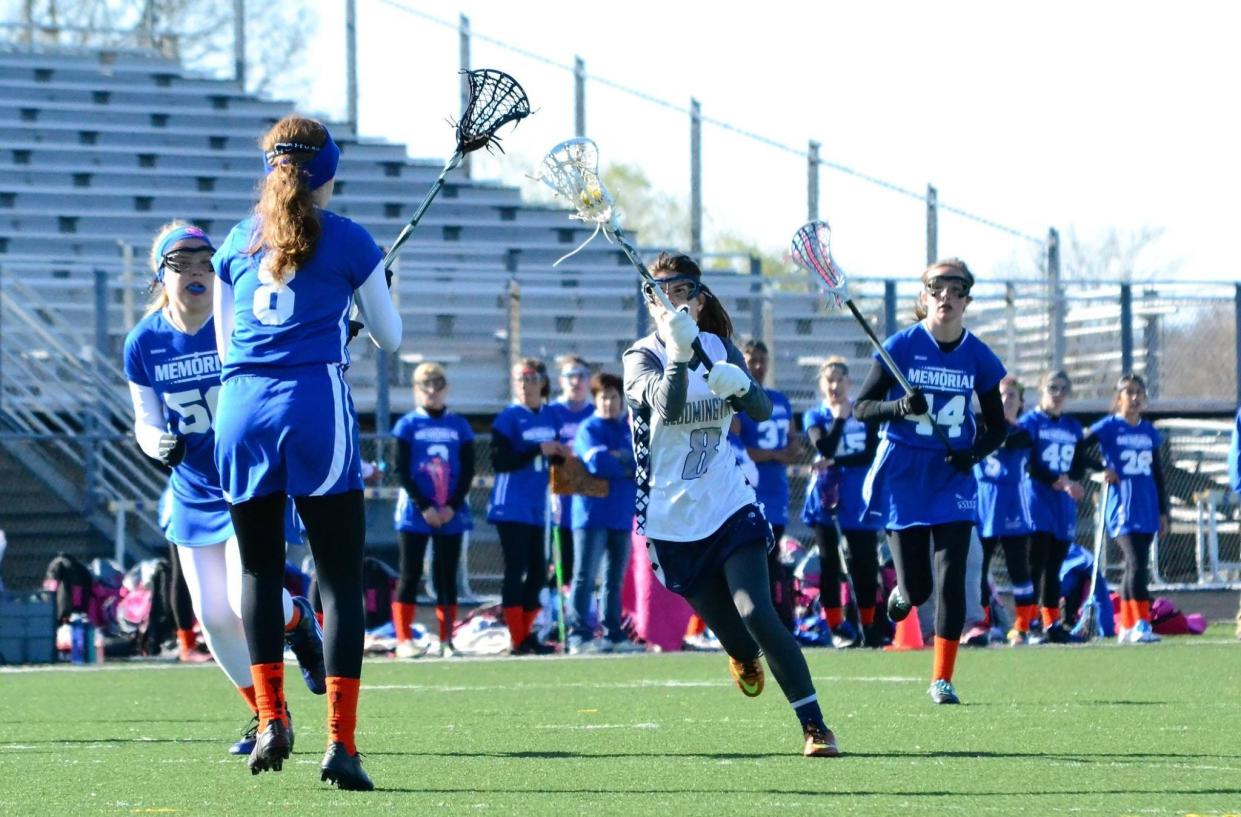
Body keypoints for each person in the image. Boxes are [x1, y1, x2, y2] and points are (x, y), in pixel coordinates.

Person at [211, 116, 402, 789]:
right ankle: (341, 746)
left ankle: (269, 719)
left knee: (259, 572)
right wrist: (364, 295)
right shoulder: (350, 237)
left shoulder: (237, 239)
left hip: (240, 410)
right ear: (329, 170)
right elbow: (390, 335)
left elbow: (229, 343)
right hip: (313, 405)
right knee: (339, 578)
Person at [623, 251, 839, 757]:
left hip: (727, 501)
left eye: (681, 290)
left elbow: (761, 411)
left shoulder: (720, 347)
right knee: (740, 641)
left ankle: (814, 726)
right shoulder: (640, 356)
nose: (670, 300)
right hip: (671, 520)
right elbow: (670, 409)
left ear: (698, 301)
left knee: (757, 612)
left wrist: (742, 387)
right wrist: (678, 356)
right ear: (649, 300)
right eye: (659, 291)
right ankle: (742, 656)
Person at [124, 221, 325, 757]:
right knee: (212, 615)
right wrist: (156, 444)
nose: (194, 271)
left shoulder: (238, 322)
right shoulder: (143, 341)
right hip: (191, 489)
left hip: (248, 477)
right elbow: (144, 418)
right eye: (180, 262)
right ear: (160, 275)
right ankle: (266, 716)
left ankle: (297, 618)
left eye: (203, 261)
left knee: (245, 596)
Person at [854, 258, 1007, 705]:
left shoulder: (979, 356)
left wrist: (972, 452)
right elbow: (863, 407)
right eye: (937, 289)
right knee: (918, 587)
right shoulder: (901, 347)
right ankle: (903, 591)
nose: (947, 297)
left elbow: (998, 427)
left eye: (956, 290)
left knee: (952, 575)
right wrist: (899, 407)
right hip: (904, 472)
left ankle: (942, 678)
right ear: (925, 298)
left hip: (951, 476)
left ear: (967, 300)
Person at [391, 363, 476, 659]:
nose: (431, 390)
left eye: (437, 383)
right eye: (425, 384)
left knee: (446, 576)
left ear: (446, 388)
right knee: (410, 573)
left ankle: (446, 640)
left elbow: (467, 471)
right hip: (416, 512)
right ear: (416, 389)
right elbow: (401, 470)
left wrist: (451, 507)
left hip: (451, 512)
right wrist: (425, 507)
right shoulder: (407, 425)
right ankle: (403, 640)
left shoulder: (459, 426)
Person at [487, 358, 571, 654]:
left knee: (538, 570)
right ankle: (516, 637)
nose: (527, 385)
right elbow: (500, 461)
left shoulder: (550, 416)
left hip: (539, 505)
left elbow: (556, 456)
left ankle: (527, 634)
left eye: (533, 378)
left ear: (543, 382)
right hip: (511, 505)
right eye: (521, 379)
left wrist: (560, 453)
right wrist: (538, 448)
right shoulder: (509, 418)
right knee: (517, 568)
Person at [801, 357, 883, 648]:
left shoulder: (863, 414)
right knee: (829, 562)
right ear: (822, 385)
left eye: (839, 379)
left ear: (849, 382)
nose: (834, 385)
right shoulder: (816, 416)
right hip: (826, 497)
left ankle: (870, 625)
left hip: (859, 497)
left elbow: (870, 453)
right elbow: (823, 446)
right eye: (829, 380)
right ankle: (836, 627)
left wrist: (835, 461)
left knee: (865, 563)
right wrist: (838, 418)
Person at [1080, 374, 1168, 644]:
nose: (1134, 397)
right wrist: (1101, 469)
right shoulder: (1109, 426)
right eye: (1129, 392)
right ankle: (1141, 622)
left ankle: (1128, 625)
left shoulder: (1148, 431)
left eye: (1139, 392)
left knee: (1135, 566)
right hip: (1122, 508)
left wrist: (1164, 512)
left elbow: (1158, 473)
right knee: (1137, 562)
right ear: (1118, 398)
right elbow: (1076, 447)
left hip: (1147, 506)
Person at [567, 372, 641, 654]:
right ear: (595, 399)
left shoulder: (628, 428)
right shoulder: (589, 428)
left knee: (614, 579)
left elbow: (642, 460)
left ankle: (613, 634)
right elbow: (597, 463)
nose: (609, 402)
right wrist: (625, 465)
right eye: (603, 397)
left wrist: (620, 460)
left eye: (613, 397)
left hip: (621, 514)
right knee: (585, 576)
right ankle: (579, 636)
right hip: (590, 515)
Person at [734, 339, 800, 631]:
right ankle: (752, 623)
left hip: (776, 494)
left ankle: (781, 623)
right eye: (752, 360)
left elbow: (794, 446)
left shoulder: (780, 400)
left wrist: (781, 453)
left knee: (773, 563)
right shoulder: (735, 402)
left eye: (762, 360)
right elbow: (736, 447)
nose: (758, 366)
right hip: (746, 495)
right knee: (751, 563)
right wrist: (774, 454)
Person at [1016, 370, 1087, 645]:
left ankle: (1051, 623)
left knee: (1054, 566)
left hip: (1062, 504)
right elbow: (1029, 462)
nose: (1058, 394)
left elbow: (1078, 463)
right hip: (1037, 499)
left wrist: (1074, 481)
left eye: (1063, 389)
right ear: (1041, 390)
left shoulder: (1072, 427)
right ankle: (1028, 622)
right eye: (1052, 388)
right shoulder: (1030, 423)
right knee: (1036, 562)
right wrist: (1056, 480)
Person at [973, 375, 1038, 645]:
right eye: (1000, 395)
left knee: (1018, 568)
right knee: (980, 569)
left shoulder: (1022, 432)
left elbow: (1010, 442)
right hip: (983, 506)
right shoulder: (977, 427)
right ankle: (986, 624)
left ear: (1021, 402)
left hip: (1013, 505)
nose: (1005, 400)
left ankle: (1022, 626)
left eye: (1011, 395)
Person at [546, 354, 596, 587]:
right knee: (556, 561)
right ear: (561, 381)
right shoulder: (550, 413)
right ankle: (551, 611)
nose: (576, 382)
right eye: (570, 376)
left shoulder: (596, 415)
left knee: (583, 564)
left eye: (581, 376)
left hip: (588, 498)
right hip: (558, 498)